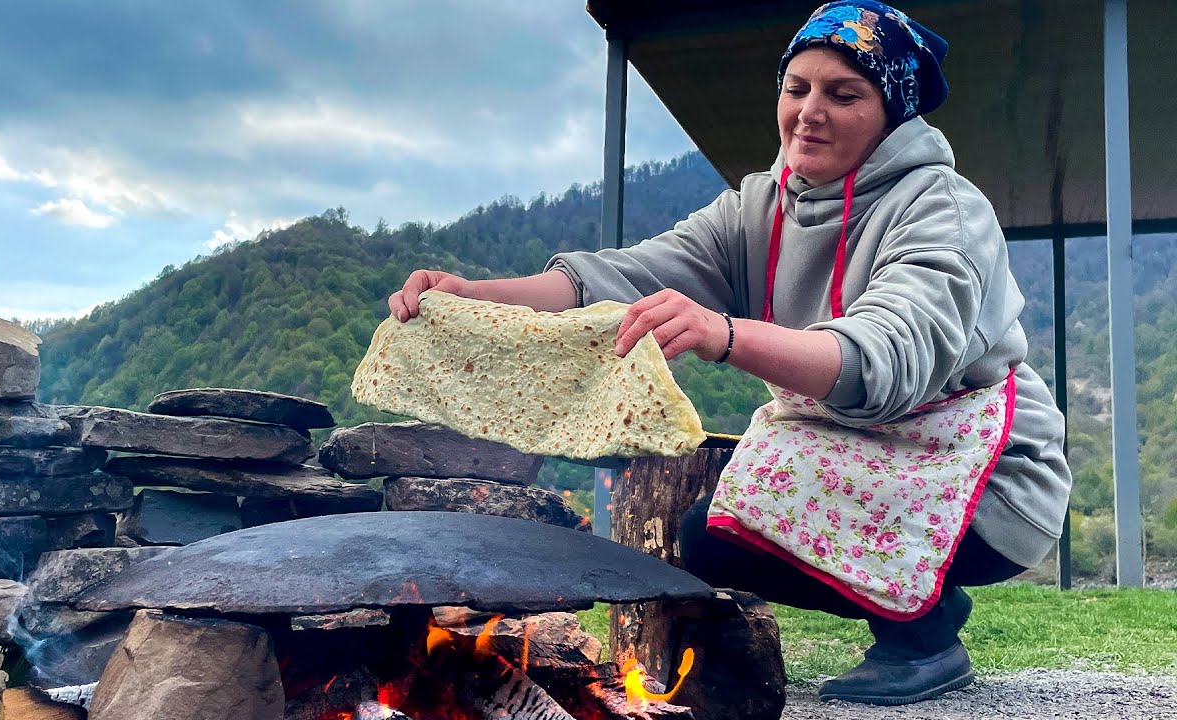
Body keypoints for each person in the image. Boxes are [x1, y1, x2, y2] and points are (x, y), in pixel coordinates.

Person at [388, 0, 1070, 707]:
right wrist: (475, 294)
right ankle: (924, 606)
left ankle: (921, 637)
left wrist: (725, 333)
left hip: (988, 481)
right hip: (863, 453)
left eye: (844, 94)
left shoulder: (942, 210)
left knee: (738, 518)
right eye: (797, 87)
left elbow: (885, 357)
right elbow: (627, 275)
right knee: (713, 536)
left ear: (893, 113)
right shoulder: (759, 208)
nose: (810, 111)